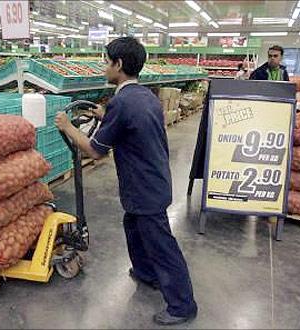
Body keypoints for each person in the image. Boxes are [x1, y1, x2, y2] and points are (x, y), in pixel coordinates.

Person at [55, 37, 197, 326]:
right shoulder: (144, 96)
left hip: (144, 186)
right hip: (151, 179)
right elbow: (131, 124)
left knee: (161, 244)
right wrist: (105, 114)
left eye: (107, 61)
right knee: (132, 226)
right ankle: (146, 273)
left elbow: (95, 150)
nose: (104, 67)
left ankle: (182, 305)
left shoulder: (122, 102)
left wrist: (68, 127)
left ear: (118, 65)